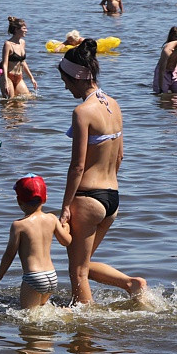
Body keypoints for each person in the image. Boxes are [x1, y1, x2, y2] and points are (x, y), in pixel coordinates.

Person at [56, 40, 147, 304]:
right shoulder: (115, 104)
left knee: (77, 271)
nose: (64, 86)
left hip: (87, 197)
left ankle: (86, 330)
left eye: (65, 81)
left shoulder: (82, 112)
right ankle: (131, 283)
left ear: (76, 77)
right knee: (82, 263)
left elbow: (77, 165)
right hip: (112, 197)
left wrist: (65, 206)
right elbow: (120, 155)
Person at [0, 175, 72, 309]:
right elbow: (67, 241)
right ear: (45, 199)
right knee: (41, 312)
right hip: (52, 276)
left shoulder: (19, 225)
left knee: (29, 317)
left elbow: (10, 254)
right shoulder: (51, 219)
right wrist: (66, 228)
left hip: (34, 277)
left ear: (18, 201)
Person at [0, 16, 37, 98]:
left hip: (19, 77)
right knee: (9, 102)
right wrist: (5, 80)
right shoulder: (8, 44)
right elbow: (4, 64)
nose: (26, 30)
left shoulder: (22, 43)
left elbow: (23, 62)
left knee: (29, 98)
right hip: (8, 76)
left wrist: (32, 78)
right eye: (24, 28)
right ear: (16, 30)